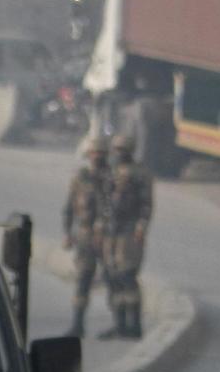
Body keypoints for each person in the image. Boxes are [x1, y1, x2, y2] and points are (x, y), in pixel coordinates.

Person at [98, 132, 153, 339]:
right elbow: (102, 200)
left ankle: (134, 325)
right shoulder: (110, 172)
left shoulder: (140, 174)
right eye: (117, 149)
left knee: (127, 275)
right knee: (111, 277)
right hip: (110, 232)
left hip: (129, 232)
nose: (119, 153)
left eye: (123, 150)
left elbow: (146, 205)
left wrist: (141, 227)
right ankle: (119, 324)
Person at [61, 135, 109, 337]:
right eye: (94, 152)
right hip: (84, 235)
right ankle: (78, 324)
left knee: (114, 279)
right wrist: (67, 234)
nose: (96, 156)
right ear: (89, 154)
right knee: (82, 279)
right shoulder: (80, 179)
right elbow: (69, 208)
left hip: (107, 237)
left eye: (100, 152)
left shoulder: (112, 178)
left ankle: (123, 324)